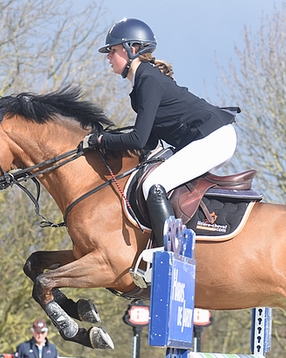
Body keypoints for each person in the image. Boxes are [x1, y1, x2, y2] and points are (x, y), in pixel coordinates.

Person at [86, 18, 238, 246]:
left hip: (214, 139)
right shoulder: (142, 83)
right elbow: (149, 142)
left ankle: (171, 253)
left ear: (132, 49)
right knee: (151, 174)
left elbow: (138, 138)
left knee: (153, 184)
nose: (108, 56)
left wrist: (101, 139)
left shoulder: (148, 79)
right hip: (209, 138)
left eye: (112, 50)